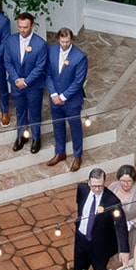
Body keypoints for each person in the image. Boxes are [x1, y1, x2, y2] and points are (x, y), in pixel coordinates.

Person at [72, 167, 130, 270]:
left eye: (100, 185)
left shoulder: (112, 201)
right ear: (89, 183)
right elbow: (79, 205)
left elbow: (121, 224)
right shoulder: (82, 189)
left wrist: (124, 249)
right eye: (94, 186)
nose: (97, 189)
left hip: (100, 246)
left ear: (104, 183)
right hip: (81, 241)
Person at [43, 28, 88, 172]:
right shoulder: (51, 51)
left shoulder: (79, 56)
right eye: (62, 42)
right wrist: (53, 94)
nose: (64, 44)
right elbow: (48, 74)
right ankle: (60, 152)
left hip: (72, 101)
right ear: (58, 40)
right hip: (55, 98)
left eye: (67, 42)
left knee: (75, 128)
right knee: (58, 126)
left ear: (71, 40)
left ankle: (77, 155)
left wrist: (63, 96)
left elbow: (78, 80)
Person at [6, 12, 48, 154]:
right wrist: (16, 79)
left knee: (35, 112)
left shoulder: (40, 44)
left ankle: (36, 138)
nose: (22, 30)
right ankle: (21, 136)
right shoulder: (11, 40)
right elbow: (8, 61)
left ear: (32, 26)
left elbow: (40, 67)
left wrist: (27, 81)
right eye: (20, 27)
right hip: (16, 84)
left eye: (25, 27)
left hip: (34, 86)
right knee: (20, 111)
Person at [109, 164, 136, 231]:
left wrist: (131, 223)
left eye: (129, 181)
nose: (125, 184)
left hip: (129, 230)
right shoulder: (113, 186)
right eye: (123, 181)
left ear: (133, 180)